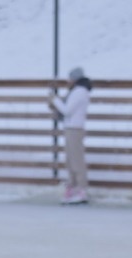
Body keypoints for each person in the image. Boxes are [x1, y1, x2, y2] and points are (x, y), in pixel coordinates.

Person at [49, 66, 93, 205]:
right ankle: (73, 187)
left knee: (76, 160)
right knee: (70, 160)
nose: (68, 81)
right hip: (71, 128)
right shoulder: (76, 91)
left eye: (70, 78)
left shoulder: (79, 92)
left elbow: (67, 110)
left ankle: (81, 189)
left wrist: (55, 100)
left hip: (75, 129)